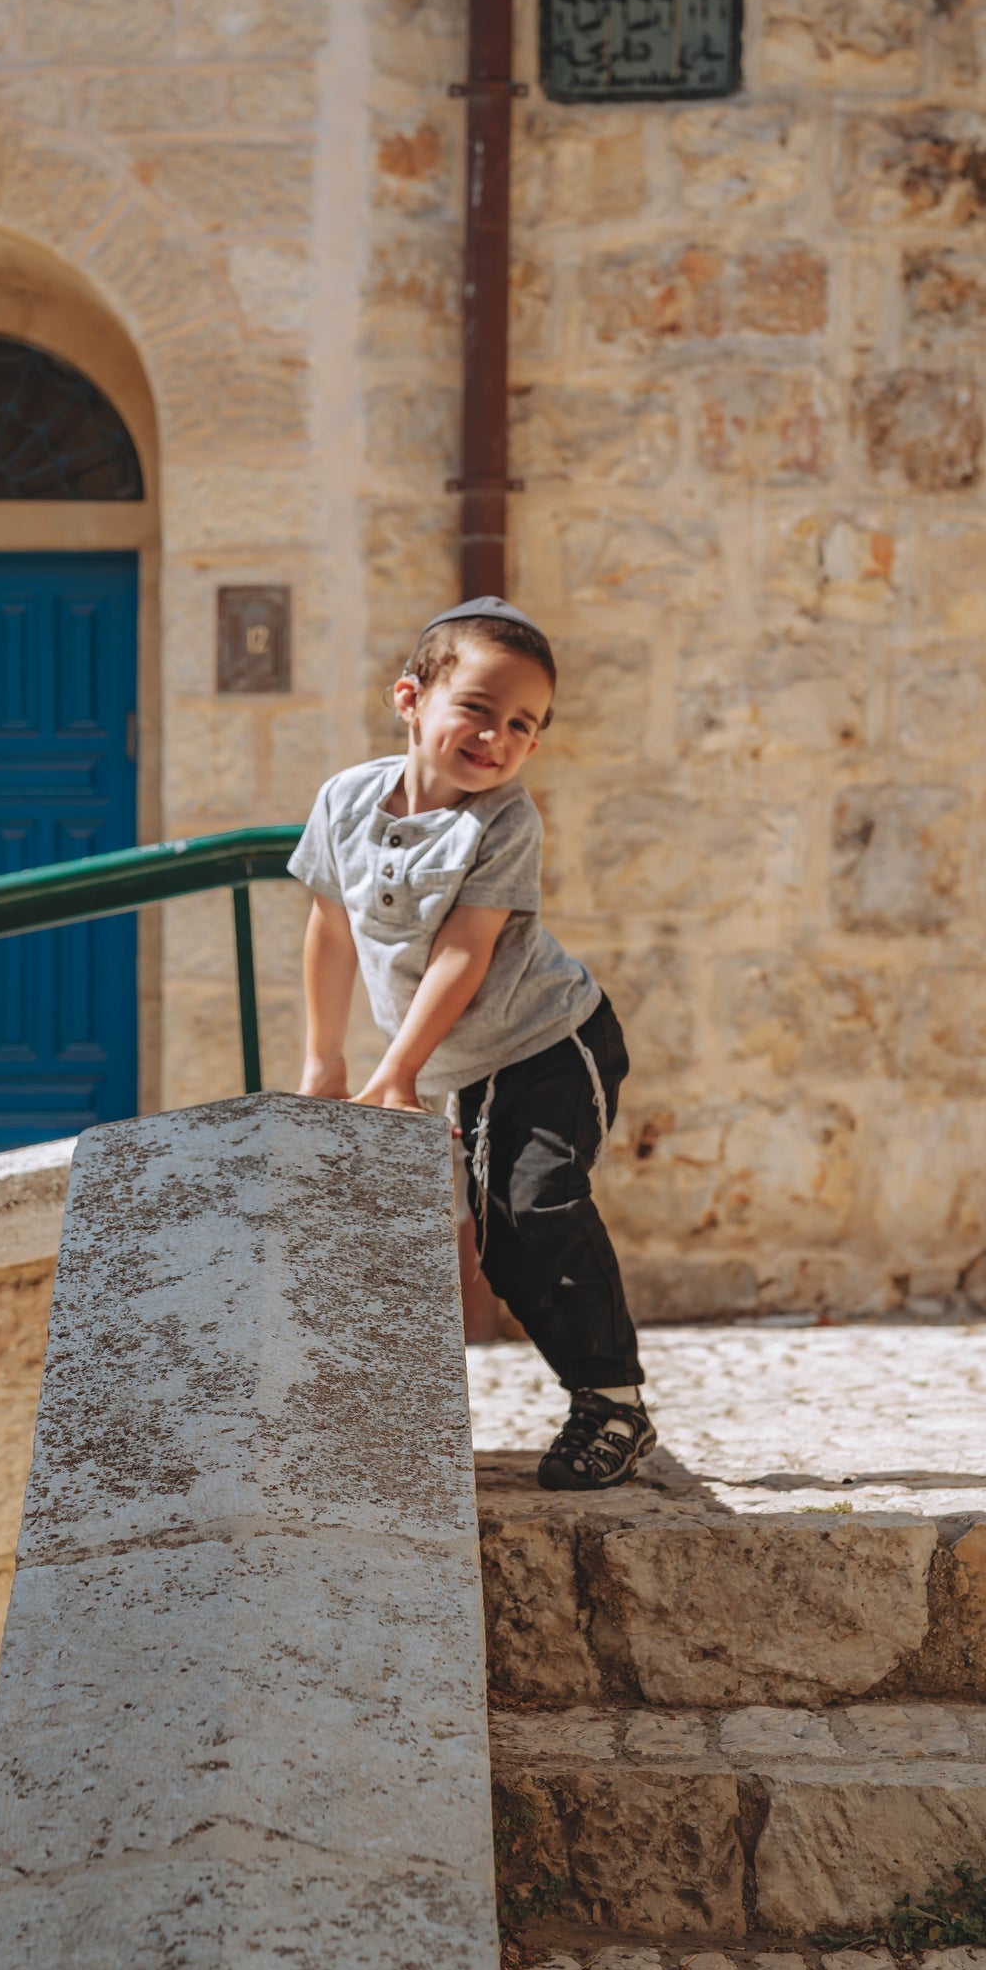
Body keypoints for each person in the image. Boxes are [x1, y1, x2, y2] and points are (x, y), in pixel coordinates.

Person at [289, 595, 653, 1490]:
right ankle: (584, 1397)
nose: (497, 736)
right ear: (410, 698)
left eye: (522, 724)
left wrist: (397, 1073)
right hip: (465, 1064)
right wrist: (324, 1063)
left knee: (539, 1205)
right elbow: (330, 931)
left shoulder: (502, 822)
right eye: (479, 709)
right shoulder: (344, 800)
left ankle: (614, 1403)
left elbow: (465, 952)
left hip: (548, 1040)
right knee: (496, 1240)